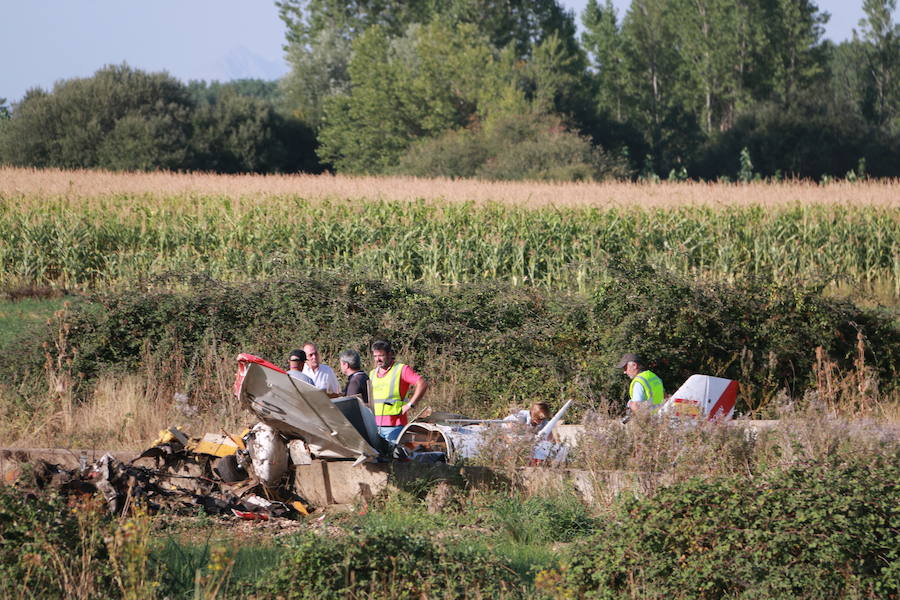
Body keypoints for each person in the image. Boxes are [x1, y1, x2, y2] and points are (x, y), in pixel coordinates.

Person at [369, 340, 428, 443]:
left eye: (381, 355)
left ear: (389, 354)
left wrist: (410, 404)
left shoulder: (401, 369)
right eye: (375, 356)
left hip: (395, 425)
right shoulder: (372, 374)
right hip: (375, 425)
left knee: (394, 457)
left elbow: (422, 383)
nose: (377, 359)